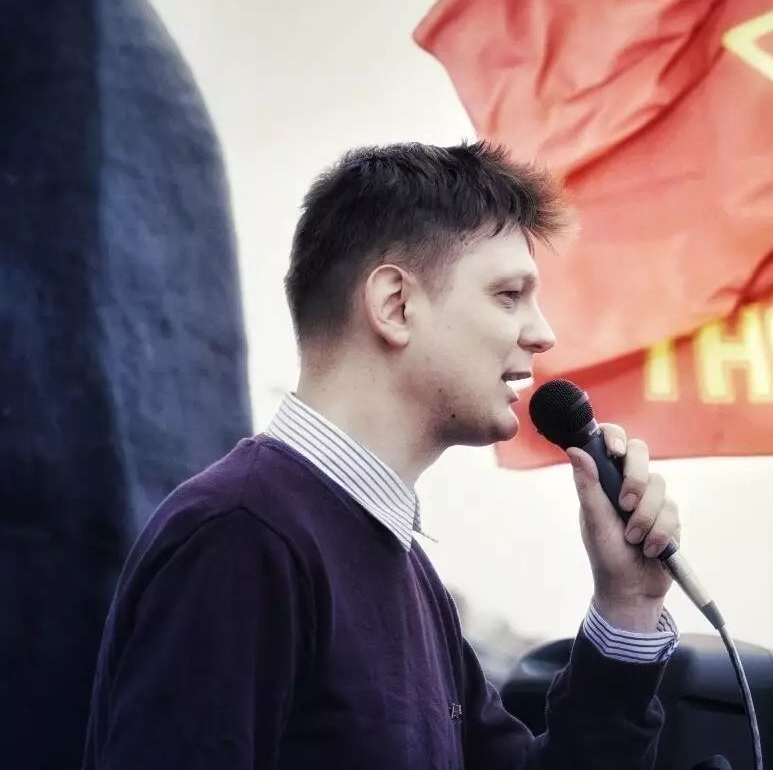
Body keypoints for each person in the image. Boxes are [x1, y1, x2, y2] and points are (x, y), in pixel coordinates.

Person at [81, 142, 683, 769]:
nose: (542, 333)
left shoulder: (403, 569)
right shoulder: (240, 533)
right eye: (508, 294)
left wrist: (628, 606)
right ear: (395, 304)